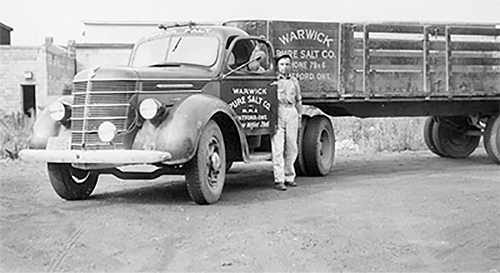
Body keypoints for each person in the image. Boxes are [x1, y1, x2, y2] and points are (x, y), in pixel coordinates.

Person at [271, 54, 302, 191]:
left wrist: (299, 116)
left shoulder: (294, 81)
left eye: (287, 64)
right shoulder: (273, 81)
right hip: (278, 112)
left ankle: (289, 176)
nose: (285, 67)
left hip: (291, 111)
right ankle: (279, 179)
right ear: (277, 66)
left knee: (291, 146)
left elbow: (299, 99)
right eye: (282, 64)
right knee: (278, 147)